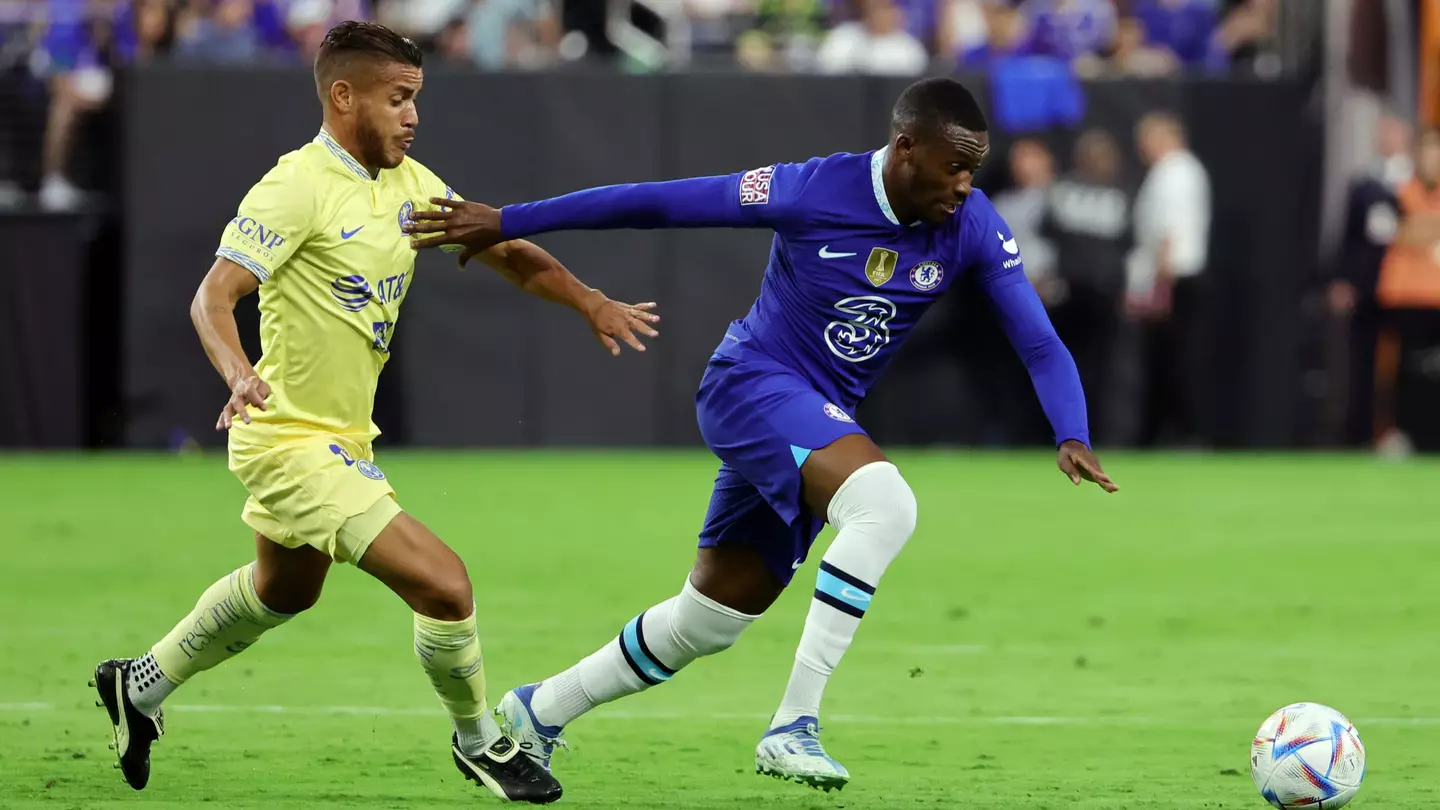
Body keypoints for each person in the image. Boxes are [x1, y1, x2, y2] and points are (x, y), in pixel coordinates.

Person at [405, 77, 1117, 792]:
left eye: (974, 169)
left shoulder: (972, 225)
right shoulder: (810, 189)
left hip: (815, 417)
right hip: (753, 385)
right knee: (886, 504)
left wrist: (1072, 430)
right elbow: (656, 201)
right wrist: (511, 220)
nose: (965, 185)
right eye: (954, 167)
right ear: (906, 148)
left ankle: (536, 713)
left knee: (708, 620)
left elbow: (1039, 342)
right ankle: (793, 726)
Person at [90, 21, 657, 804]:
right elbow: (213, 296)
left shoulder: (411, 187)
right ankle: (481, 742)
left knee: (285, 590)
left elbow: (506, 251)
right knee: (447, 588)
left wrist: (588, 299)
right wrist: (238, 372)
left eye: (416, 98)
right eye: (398, 99)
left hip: (343, 437)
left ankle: (139, 685)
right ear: (343, 95)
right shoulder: (295, 187)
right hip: (287, 438)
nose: (412, 115)